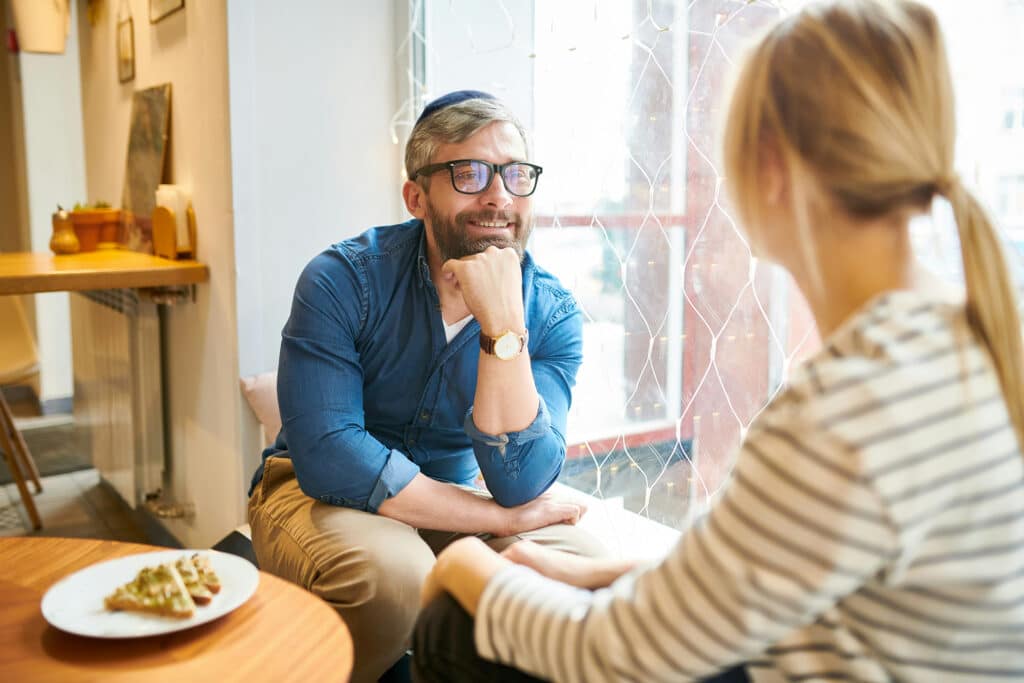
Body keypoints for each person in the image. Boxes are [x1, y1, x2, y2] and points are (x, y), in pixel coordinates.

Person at [412, 2, 1024, 681]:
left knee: (456, 624)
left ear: (768, 168)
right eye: (471, 174)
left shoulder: (848, 403)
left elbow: (608, 653)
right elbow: (763, 565)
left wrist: (462, 562)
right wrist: (577, 569)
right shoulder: (956, 331)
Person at [246, 90, 606, 683]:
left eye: (516, 176)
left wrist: (502, 328)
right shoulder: (341, 280)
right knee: (396, 579)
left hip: (449, 497)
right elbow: (332, 458)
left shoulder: (552, 312)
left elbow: (520, 480)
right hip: (310, 494)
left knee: (576, 575)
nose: (498, 196)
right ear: (416, 197)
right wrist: (489, 519)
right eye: (469, 174)